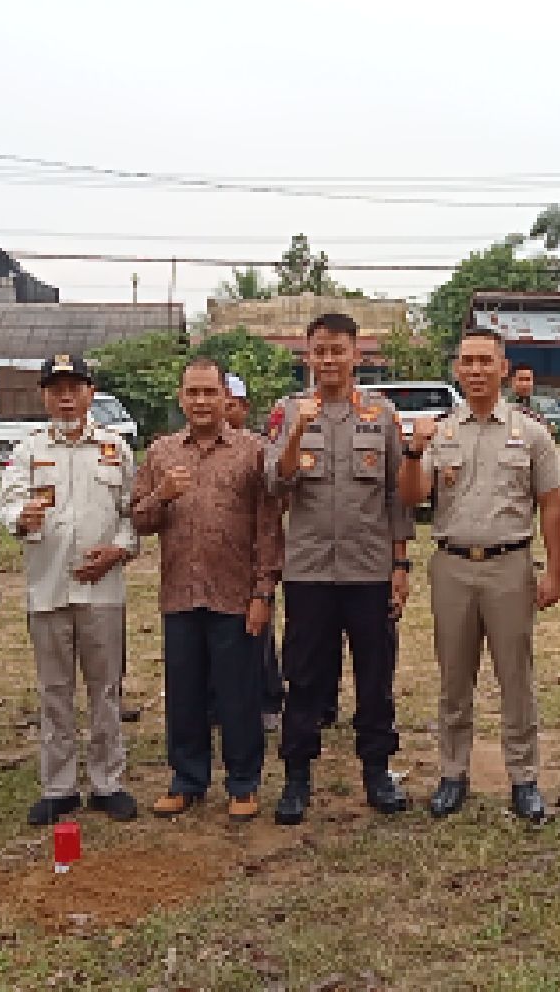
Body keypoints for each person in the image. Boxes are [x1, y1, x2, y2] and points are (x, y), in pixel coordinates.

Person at [399, 328, 560, 823]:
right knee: (454, 678)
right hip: (451, 566)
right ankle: (453, 774)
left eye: (484, 361)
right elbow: (411, 497)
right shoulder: (441, 431)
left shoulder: (531, 432)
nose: (474, 370)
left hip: (510, 565)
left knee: (516, 677)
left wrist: (555, 571)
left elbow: (552, 507)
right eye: (466, 361)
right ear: (456, 369)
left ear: (503, 367)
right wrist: (413, 450)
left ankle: (524, 778)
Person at [264, 312, 415, 825]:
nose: (328, 360)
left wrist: (401, 563)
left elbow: (397, 494)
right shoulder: (288, 411)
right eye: (319, 351)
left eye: (337, 350)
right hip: (308, 572)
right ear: (307, 357)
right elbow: (275, 484)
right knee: (303, 677)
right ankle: (297, 778)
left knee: (375, 677)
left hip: (369, 570)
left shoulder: (380, 413)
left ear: (356, 355)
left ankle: (377, 772)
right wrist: (295, 434)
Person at [133, 358, 283, 823]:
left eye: (209, 393)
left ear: (226, 398)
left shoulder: (253, 452)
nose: (200, 401)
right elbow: (138, 518)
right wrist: (162, 494)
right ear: (180, 398)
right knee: (185, 692)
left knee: (239, 693)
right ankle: (187, 779)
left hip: (234, 594)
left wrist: (262, 593)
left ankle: (243, 782)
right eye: (192, 393)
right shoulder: (160, 454)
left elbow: (269, 528)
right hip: (180, 592)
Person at [0, 354, 139, 826]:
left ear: (89, 393)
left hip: (103, 591)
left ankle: (107, 782)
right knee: (55, 691)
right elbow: (9, 503)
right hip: (49, 587)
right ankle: (58, 787)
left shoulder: (115, 449)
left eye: (74, 388)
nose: (65, 397)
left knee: (106, 690)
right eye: (56, 388)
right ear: (43, 395)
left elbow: (130, 514)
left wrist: (117, 551)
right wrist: (22, 518)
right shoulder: (27, 450)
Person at [225, 373, 286, 732]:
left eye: (230, 404)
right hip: (214, 559)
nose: (221, 409)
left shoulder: (261, 449)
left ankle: (267, 698)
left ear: (243, 408)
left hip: (253, 555)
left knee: (257, 633)